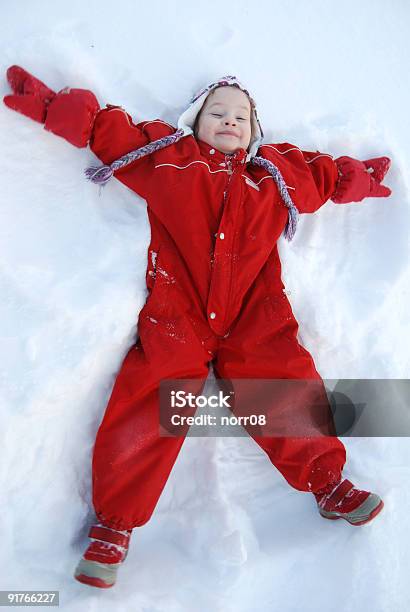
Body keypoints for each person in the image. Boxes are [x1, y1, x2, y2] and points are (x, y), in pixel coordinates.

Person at [4, 68, 391, 589]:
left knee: (282, 383)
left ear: (255, 131)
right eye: (217, 113)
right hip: (178, 312)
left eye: (240, 116)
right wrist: (60, 109)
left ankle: (327, 483)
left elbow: (323, 178)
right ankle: (114, 525)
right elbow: (109, 132)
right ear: (194, 121)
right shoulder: (170, 160)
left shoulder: (273, 177)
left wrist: (359, 178)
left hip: (255, 313)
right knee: (151, 397)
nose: (229, 121)